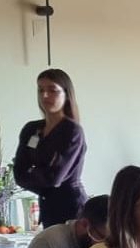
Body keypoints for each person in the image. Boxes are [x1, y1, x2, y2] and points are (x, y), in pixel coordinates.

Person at [13, 68, 87, 227]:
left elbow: (54, 177)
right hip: (47, 207)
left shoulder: (72, 131)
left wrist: (32, 172)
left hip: (72, 210)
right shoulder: (31, 129)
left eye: (52, 90)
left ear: (66, 94)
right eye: (41, 90)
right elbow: (19, 174)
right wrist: (42, 176)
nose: (45, 95)